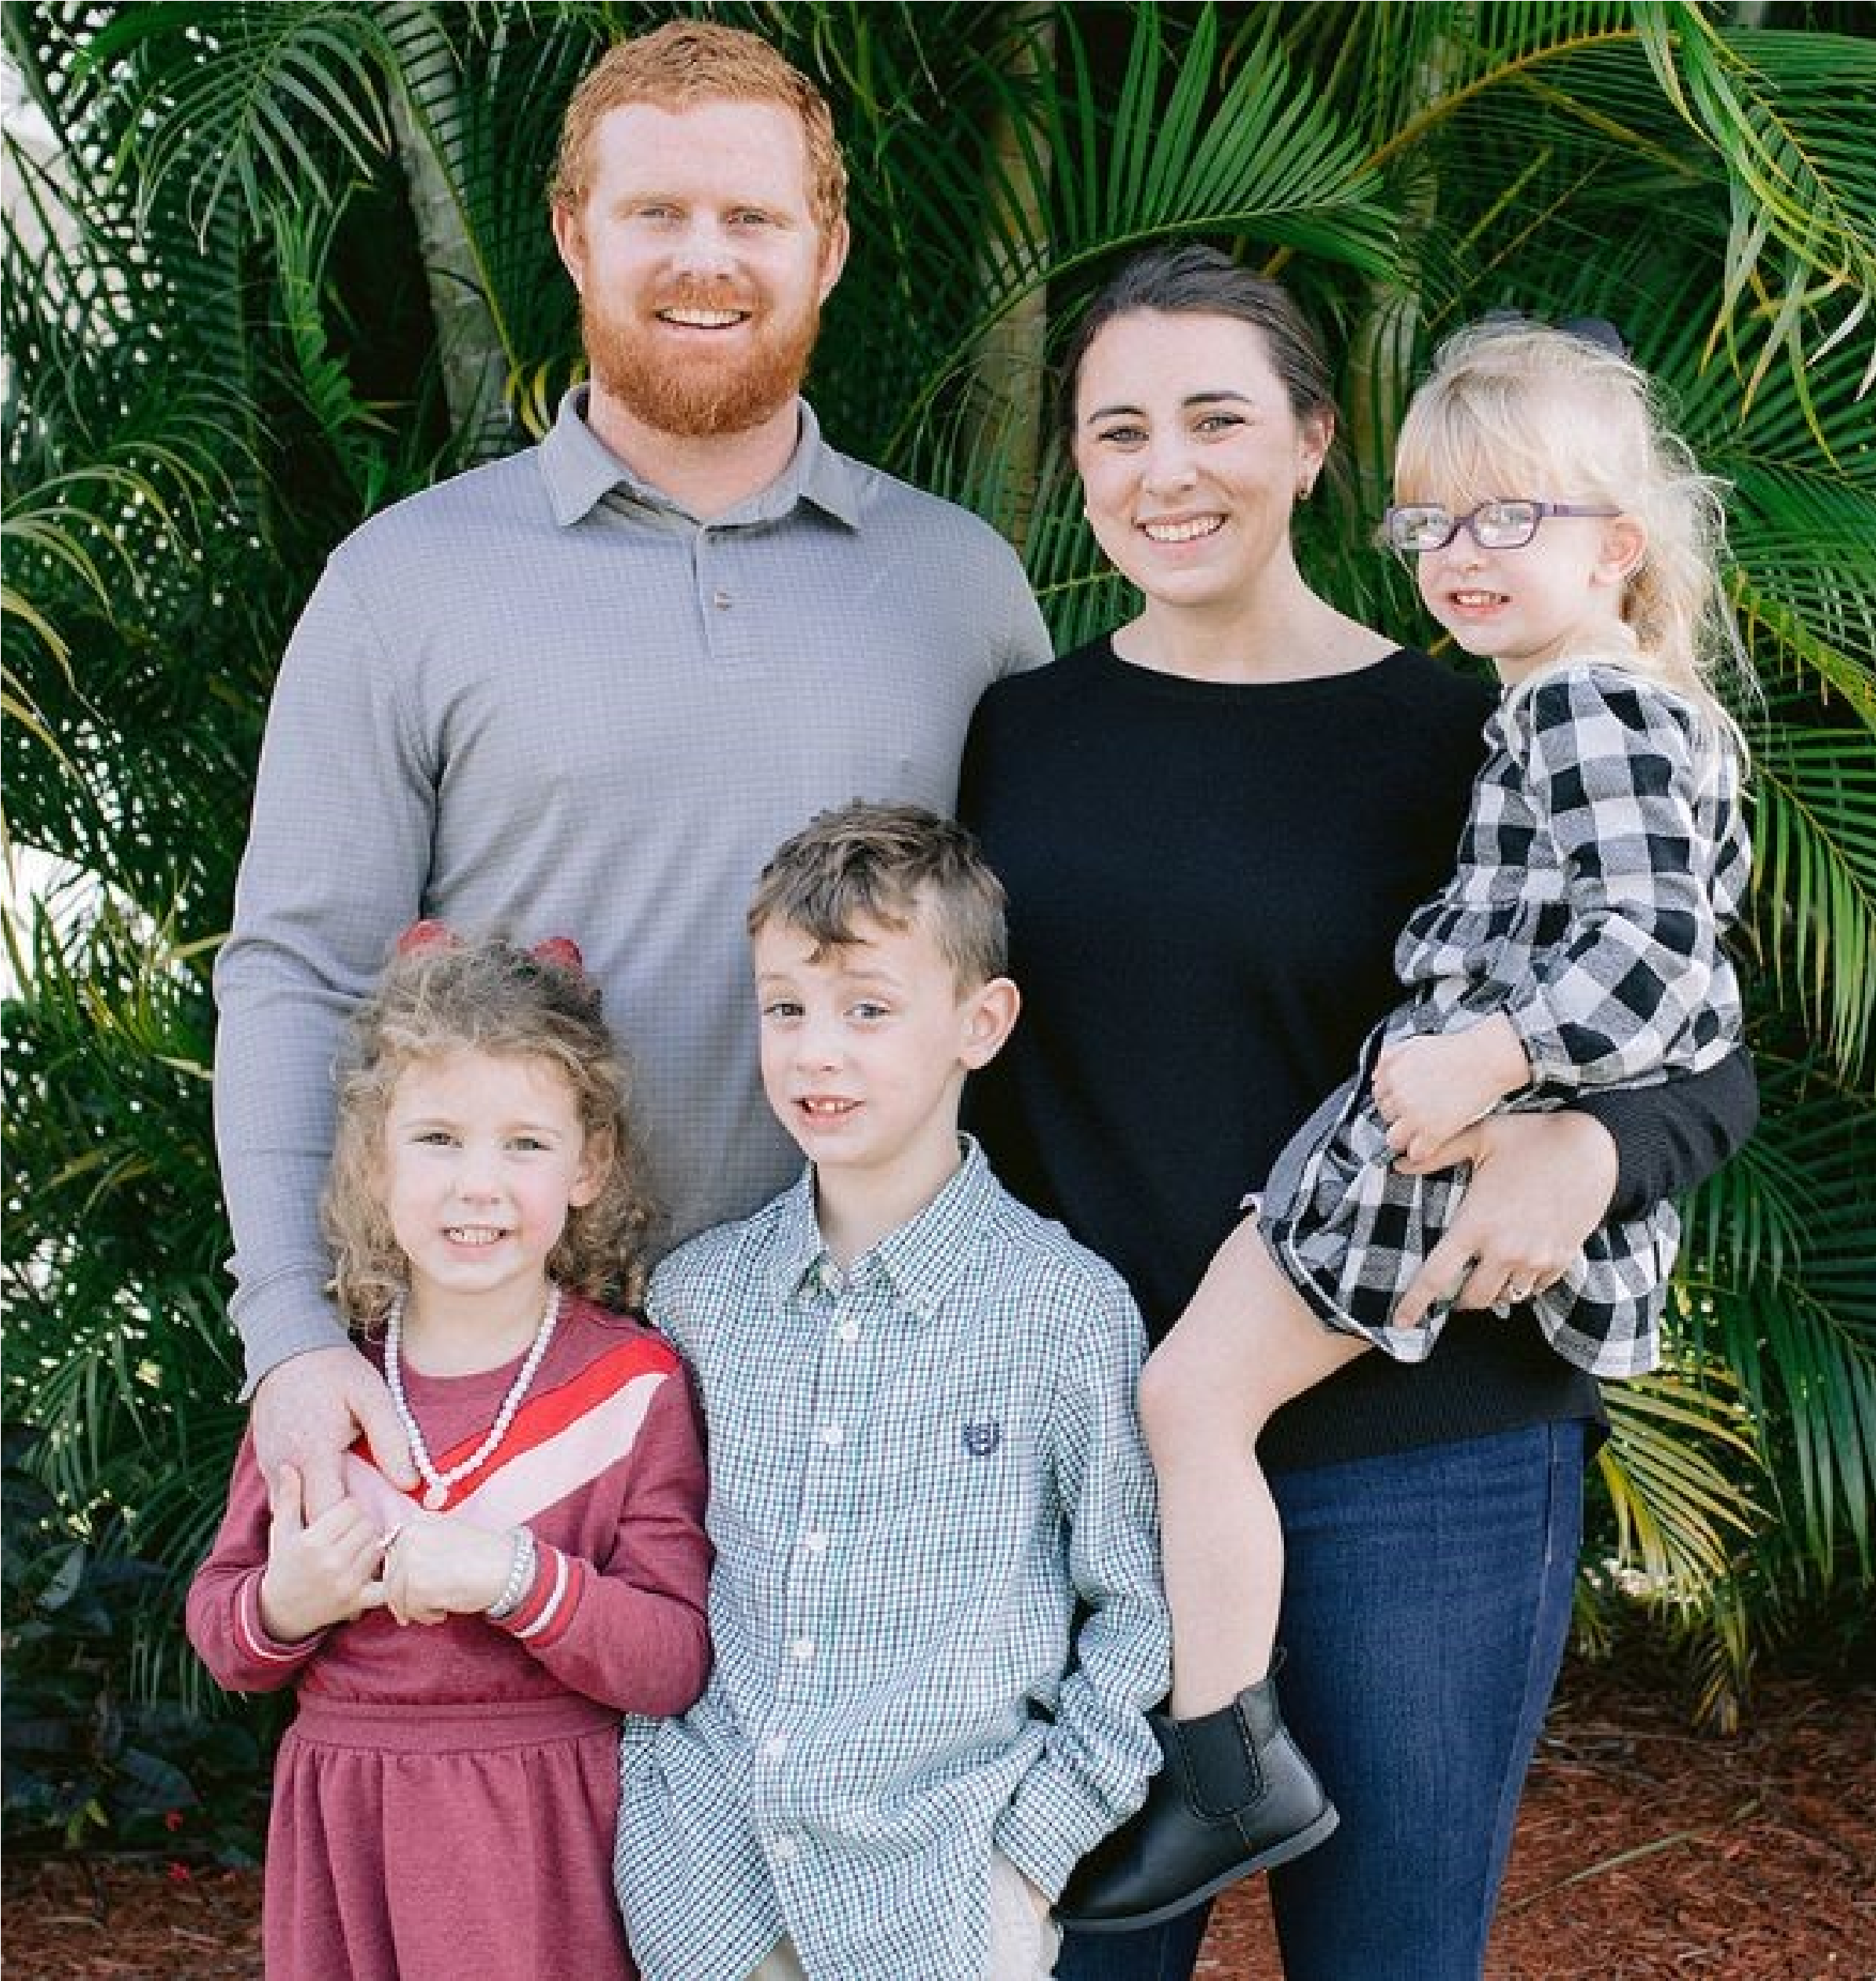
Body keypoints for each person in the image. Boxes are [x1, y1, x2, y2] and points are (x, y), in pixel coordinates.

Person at [957, 244, 1760, 1979]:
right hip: (1097, 1458)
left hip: (1428, 1459)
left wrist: (1586, 1148)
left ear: (1316, 442)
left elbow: (1701, 1051)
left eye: (1217, 418)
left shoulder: (1482, 724)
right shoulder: (1013, 738)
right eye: (1117, 431)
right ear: (1074, 465)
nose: (1167, 471)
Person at [213, 18, 1050, 1516]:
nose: (703, 259)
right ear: (573, 235)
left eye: (751, 217)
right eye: (656, 211)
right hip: (498, 1400)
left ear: (828, 249)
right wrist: (288, 1331)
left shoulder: (961, 586)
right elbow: (298, 971)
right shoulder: (403, 582)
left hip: (881, 1395)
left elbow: (1043, 982)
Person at [613, 801, 1169, 1981]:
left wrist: (1032, 1856)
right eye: (787, 1009)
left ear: (981, 1022)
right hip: (708, 1894)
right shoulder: (697, 1300)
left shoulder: (1062, 1310)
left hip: (940, 1901)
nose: (818, 1051)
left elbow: (1137, 1609)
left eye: (868, 1009)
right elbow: (644, 1569)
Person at [187, 926, 712, 1979]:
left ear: (588, 1164)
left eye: (525, 1144)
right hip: (351, 1827)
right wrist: (289, 1601)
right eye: (437, 1138)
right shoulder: (323, 1385)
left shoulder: (631, 1386)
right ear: (373, 1159)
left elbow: (671, 1660)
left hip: (544, 1838)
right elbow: (223, 1627)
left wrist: (515, 1577)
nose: (480, 1184)